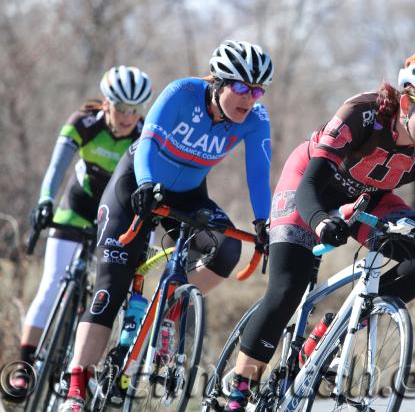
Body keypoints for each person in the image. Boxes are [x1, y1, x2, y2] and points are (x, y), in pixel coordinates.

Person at [222, 48, 415, 411]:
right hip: (310, 187)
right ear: (407, 100)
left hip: (368, 198)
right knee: (288, 287)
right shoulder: (362, 113)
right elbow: (311, 184)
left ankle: (335, 333)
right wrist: (321, 221)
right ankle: (238, 392)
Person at [58, 40, 273, 412]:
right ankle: (77, 385)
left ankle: (170, 306)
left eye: (256, 90)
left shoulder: (255, 119)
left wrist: (263, 223)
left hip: (189, 195)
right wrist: (144, 185)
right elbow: (148, 143)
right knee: (110, 287)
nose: (248, 98)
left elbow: (258, 173)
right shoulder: (182, 93)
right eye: (240, 87)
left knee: (227, 249)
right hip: (136, 185)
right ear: (219, 83)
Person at [5, 66, 152, 402]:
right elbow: (57, 168)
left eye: (135, 109)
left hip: (113, 215)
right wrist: (45, 201)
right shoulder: (84, 123)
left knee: (110, 287)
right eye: (121, 107)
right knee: (53, 281)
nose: (128, 116)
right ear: (107, 102)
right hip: (77, 205)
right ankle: (23, 366)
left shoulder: (144, 135)